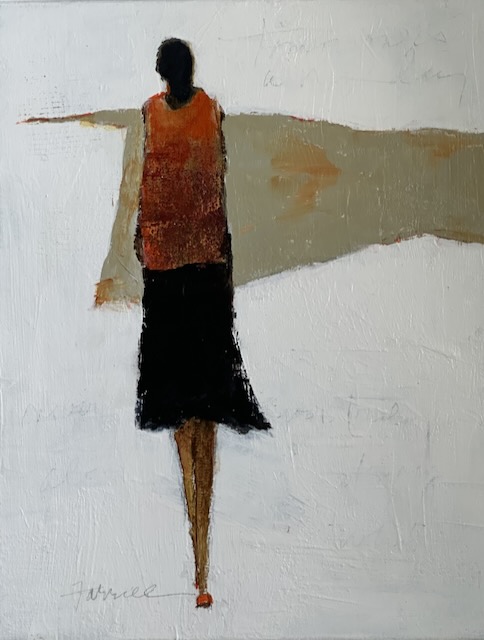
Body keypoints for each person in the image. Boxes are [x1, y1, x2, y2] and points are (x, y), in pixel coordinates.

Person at [134, 38, 270, 608]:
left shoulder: (160, 113)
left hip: (174, 278)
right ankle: (201, 563)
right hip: (197, 276)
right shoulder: (208, 111)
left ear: (165, 76)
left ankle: (201, 562)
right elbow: (213, 190)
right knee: (198, 415)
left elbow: (146, 195)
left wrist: (147, 246)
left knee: (188, 416)